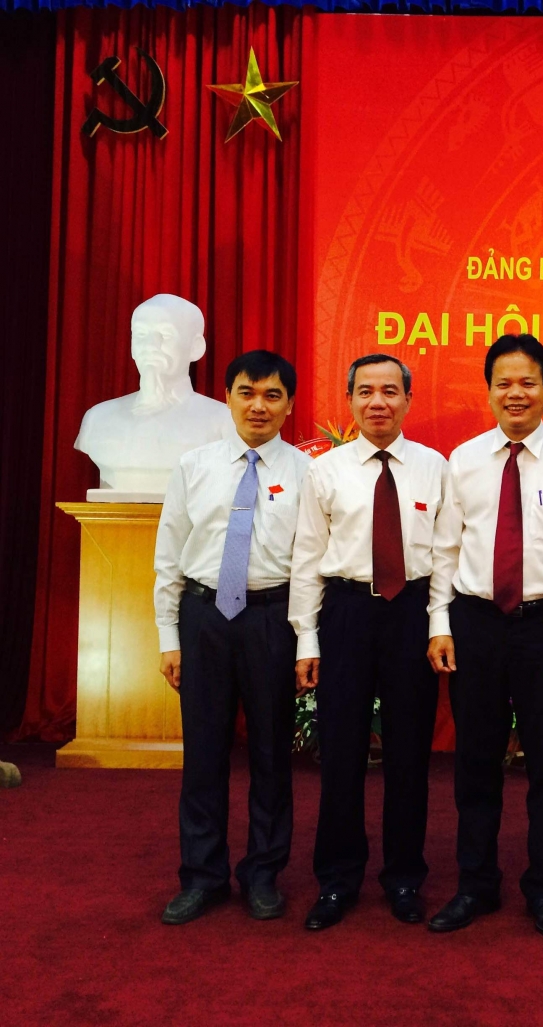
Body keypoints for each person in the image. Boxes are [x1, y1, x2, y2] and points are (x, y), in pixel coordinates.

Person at [426, 334, 543, 940]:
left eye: (527, 382)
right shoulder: (463, 460)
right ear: (488, 391)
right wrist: (440, 623)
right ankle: (475, 884)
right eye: (503, 383)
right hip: (476, 622)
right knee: (475, 761)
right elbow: (445, 550)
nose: (515, 393)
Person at [289, 354, 448, 931]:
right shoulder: (326, 471)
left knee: (409, 753)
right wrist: (307, 639)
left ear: (408, 399)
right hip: (346, 612)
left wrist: (439, 624)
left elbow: (446, 556)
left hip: (411, 614)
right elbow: (307, 556)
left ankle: (404, 877)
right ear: (350, 400)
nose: (377, 401)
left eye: (389, 391)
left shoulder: (434, 467)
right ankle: (337, 879)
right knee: (341, 752)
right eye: (365, 391)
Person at [154, 349, 311, 925]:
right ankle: (203, 877)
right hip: (204, 618)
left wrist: (307, 639)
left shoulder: (307, 473)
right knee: (204, 754)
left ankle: (262, 873)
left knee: (271, 753)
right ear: (227, 397)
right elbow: (169, 554)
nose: (258, 406)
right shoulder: (194, 465)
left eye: (272, 395)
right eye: (247, 392)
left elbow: (310, 563)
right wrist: (168, 635)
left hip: (271, 618)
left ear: (289, 405)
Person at [76, 294, 231, 495]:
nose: (150, 345)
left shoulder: (224, 420)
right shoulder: (98, 418)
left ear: (196, 347)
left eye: (165, 335)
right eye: (140, 334)